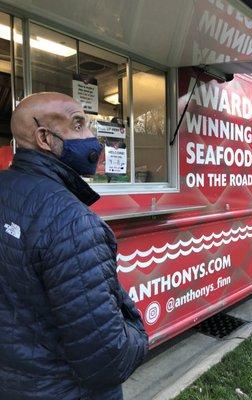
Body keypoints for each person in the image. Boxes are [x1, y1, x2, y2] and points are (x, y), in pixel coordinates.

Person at [0, 92, 148, 400]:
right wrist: (137, 330)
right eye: (78, 124)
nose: (91, 137)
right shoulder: (72, 221)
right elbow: (109, 360)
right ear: (44, 137)